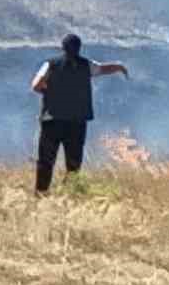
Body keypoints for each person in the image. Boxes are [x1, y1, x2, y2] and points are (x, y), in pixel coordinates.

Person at [30, 34, 129, 194]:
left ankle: (41, 193)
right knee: (74, 163)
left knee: (46, 160)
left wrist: (51, 92)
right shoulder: (86, 65)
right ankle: (70, 195)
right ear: (79, 48)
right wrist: (119, 66)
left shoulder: (51, 64)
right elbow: (103, 68)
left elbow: (35, 85)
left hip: (52, 120)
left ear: (62, 47)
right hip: (76, 122)